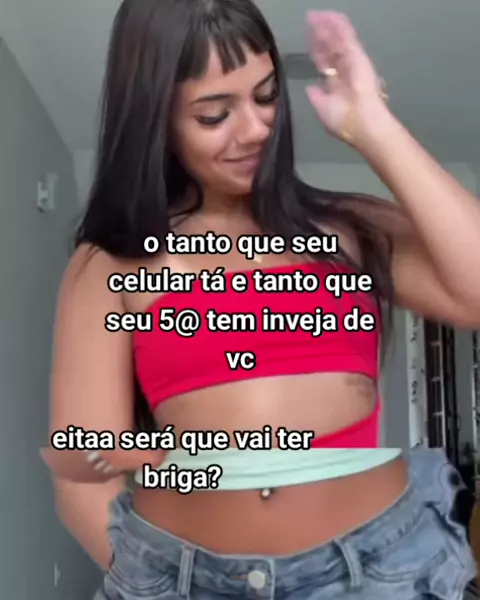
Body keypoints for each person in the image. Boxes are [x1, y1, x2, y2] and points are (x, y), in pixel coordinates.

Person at [41, 0, 480, 598]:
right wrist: (165, 585)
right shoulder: (112, 265)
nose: (255, 130)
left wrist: (373, 125)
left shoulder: (347, 231)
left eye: (267, 96)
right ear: (156, 119)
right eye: (214, 113)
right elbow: (85, 475)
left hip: (383, 575)